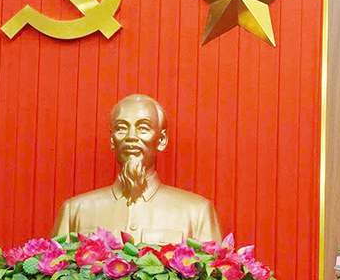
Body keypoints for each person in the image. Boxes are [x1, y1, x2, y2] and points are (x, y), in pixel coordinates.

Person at [52, 94, 222, 242]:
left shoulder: (196, 212)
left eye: (143, 128)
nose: (131, 137)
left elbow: (212, 269)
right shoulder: (75, 211)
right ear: (112, 139)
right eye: (121, 128)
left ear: (162, 140)